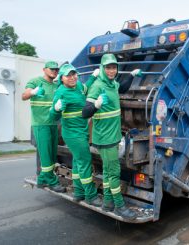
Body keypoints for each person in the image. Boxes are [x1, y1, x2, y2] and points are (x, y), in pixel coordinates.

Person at [82, 53, 141, 220]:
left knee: (108, 172)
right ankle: (119, 206)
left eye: (114, 67)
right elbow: (85, 112)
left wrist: (131, 75)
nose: (111, 70)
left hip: (113, 136)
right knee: (114, 172)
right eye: (108, 67)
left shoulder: (112, 84)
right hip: (105, 138)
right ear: (102, 68)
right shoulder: (98, 86)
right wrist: (96, 105)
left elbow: (122, 88)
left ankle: (108, 202)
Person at [49, 64, 103, 206]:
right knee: (85, 162)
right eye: (68, 75)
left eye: (74, 74)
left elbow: (86, 87)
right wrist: (56, 109)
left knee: (78, 163)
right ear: (62, 78)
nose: (72, 77)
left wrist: (93, 77)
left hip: (83, 130)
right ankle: (91, 196)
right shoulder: (61, 93)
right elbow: (53, 116)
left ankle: (79, 192)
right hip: (73, 134)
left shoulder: (78, 85)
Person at [22, 61, 66, 192]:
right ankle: (52, 181)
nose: (54, 71)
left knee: (52, 154)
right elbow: (24, 96)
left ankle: (42, 179)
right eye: (51, 69)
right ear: (44, 69)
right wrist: (33, 92)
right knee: (46, 155)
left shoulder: (55, 86)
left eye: (56, 70)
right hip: (41, 125)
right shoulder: (35, 81)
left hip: (53, 124)